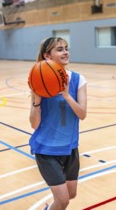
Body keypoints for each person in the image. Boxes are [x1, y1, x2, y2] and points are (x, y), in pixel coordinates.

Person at [29, 37, 87, 210]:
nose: (66, 52)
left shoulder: (78, 79)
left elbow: (82, 114)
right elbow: (34, 124)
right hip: (46, 149)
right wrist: (37, 101)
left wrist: (67, 95)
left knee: (71, 194)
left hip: (70, 147)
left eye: (66, 48)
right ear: (48, 56)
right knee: (63, 201)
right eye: (60, 49)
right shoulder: (39, 81)